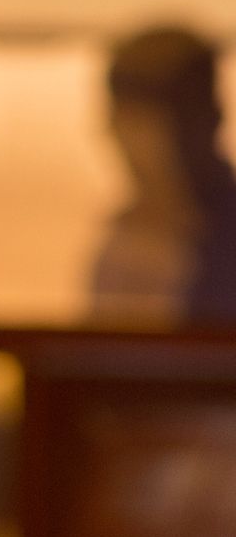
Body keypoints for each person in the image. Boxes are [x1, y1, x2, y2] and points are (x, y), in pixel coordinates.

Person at [89, 23, 236, 328]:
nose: (120, 138)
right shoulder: (126, 238)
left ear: (209, 120)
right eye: (121, 120)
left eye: (144, 123)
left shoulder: (220, 241)